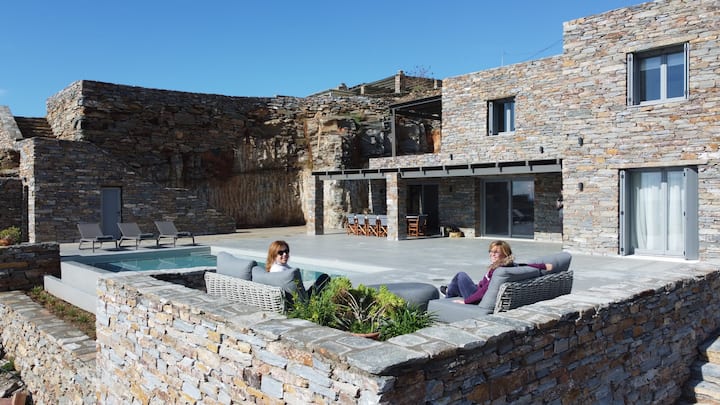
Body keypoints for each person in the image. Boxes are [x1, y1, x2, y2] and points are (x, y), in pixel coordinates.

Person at [440, 240, 553, 305]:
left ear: (505, 254)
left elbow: (485, 290)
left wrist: (466, 302)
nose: (492, 254)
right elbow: (525, 265)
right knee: (458, 283)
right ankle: (450, 291)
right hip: (478, 289)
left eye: (496, 252)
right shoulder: (509, 265)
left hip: (477, 298)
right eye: (491, 251)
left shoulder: (498, 270)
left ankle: (447, 298)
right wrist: (544, 266)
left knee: (460, 276)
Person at [266, 240, 330, 297]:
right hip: (301, 301)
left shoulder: (274, 267)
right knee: (324, 278)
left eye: (286, 251)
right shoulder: (281, 271)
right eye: (281, 253)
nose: (285, 254)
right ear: (273, 254)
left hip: (295, 298)